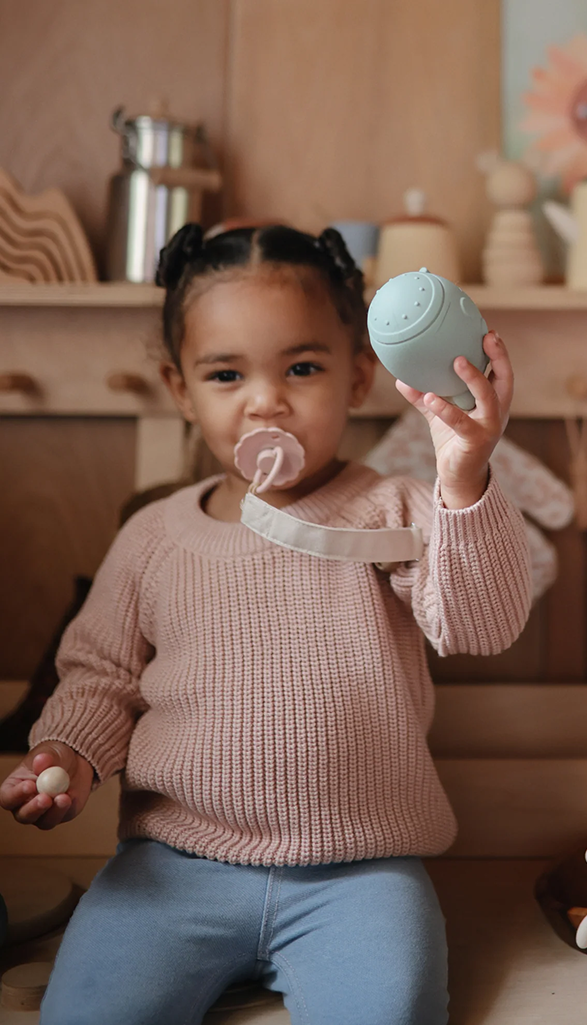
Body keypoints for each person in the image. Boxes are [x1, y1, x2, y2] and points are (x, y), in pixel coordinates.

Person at [0, 222, 532, 1025]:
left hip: (360, 872)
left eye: (302, 367)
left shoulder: (391, 508)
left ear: (359, 377)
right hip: (171, 867)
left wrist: (463, 477)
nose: (265, 399)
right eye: (225, 373)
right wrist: (70, 752)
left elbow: (480, 625)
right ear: (180, 389)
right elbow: (101, 677)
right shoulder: (153, 536)